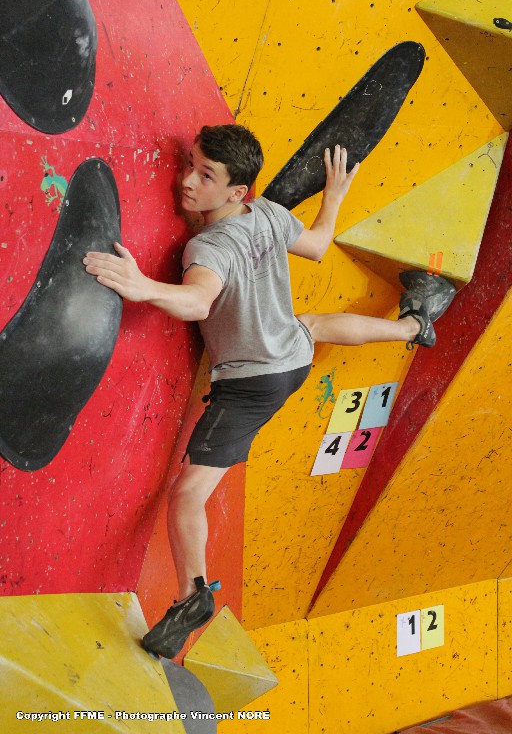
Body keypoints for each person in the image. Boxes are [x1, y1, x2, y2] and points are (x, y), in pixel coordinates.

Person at [83, 124, 455, 658]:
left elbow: (197, 302)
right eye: (190, 165)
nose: (187, 181)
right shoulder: (268, 214)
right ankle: (415, 323)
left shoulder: (208, 247)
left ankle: (192, 595)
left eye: (205, 175)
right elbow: (319, 245)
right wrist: (334, 196)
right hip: (291, 354)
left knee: (187, 493)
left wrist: (140, 285)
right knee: (313, 324)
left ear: (236, 191)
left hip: (250, 383)